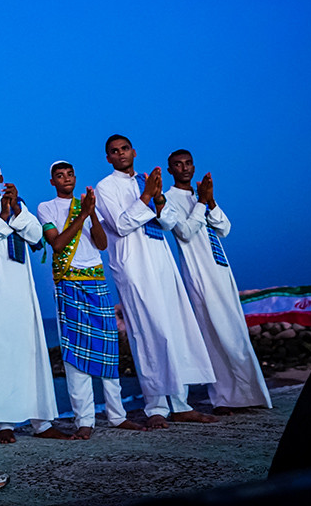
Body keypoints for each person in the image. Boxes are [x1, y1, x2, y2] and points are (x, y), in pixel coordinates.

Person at [93, 135, 217, 429]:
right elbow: (121, 225)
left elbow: (168, 222)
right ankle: (155, 407)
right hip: (133, 265)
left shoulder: (145, 180)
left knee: (175, 329)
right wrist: (146, 197)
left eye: (125, 149)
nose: (121, 154)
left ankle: (182, 405)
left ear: (134, 152)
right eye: (114, 151)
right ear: (108, 158)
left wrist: (157, 197)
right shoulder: (105, 187)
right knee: (147, 333)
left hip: (161, 259)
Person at [0, 160, 70, 444]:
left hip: (22, 288)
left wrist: (16, 211)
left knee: (31, 349)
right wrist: (2, 216)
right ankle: (4, 424)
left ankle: (42, 422)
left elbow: (35, 236)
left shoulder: (19, 205)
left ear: (1, 178)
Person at [36, 161, 145, 438]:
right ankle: (84, 420)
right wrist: (82, 214)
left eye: (69, 174)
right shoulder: (46, 208)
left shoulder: (86, 205)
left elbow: (102, 243)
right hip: (69, 283)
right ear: (52, 182)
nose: (66, 179)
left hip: (96, 280)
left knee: (108, 348)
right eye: (59, 176)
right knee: (74, 353)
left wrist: (92, 213)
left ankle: (118, 415)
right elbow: (57, 244)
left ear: (75, 177)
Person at [161, 150, 271, 412]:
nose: (184, 168)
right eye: (178, 165)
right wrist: (202, 202)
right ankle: (223, 398)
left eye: (188, 163)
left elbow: (224, 229)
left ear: (194, 166)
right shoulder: (168, 199)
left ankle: (246, 396)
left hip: (221, 269)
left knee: (235, 332)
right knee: (214, 333)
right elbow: (185, 232)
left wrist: (209, 202)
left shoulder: (199, 195)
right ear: (170, 170)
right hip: (200, 272)